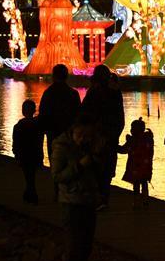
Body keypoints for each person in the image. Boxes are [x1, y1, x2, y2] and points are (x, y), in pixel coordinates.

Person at [51, 113, 101, 261]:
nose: (85, 139)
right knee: (74, 245)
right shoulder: (61, 147)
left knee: (86, 245)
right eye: (81, 135)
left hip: (88, 200)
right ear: (74, 131)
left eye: (88, 136)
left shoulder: (88, 147)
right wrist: (79, 166)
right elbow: (57, 176)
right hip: (71, 202)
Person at [80, 64, 124, 209]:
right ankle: (104, 198)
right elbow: (120, 118)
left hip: (96, 136)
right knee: (107, 170)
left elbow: (85, 113)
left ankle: (97, 197)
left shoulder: (94, 92)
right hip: (110, 136)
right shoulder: (115, 93)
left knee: (95, 167)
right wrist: (115, 134)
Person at [39, 64, 81, 198]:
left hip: (53, 133)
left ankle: (57, 191)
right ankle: (69, 190)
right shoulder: (73, 94)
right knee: (70, 162)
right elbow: (78, 115)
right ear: (66, 76)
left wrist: (44, 130)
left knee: (55, 163)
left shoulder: (48, 93)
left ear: (53, 76)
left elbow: (43, 114)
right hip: (69, 134)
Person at [117, 118, 154, 209]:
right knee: (144, 183)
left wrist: (113, 146)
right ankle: (145, 200)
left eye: (132, 128)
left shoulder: (132, 140)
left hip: (135, 167)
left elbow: (123, 150)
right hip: (146, 167)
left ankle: (136, 202)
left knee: (136, 185)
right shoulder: (148, 139)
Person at [12, 99, 44, 204]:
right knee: (32, 174)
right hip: (35, 154)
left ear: (23, 111)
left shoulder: (18, 126)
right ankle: (30, 192)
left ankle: (30, 192)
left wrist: (16, 154)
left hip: (24, 155)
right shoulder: (38, 125)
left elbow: (16, 143)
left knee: (28, 174)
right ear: (34, 110)